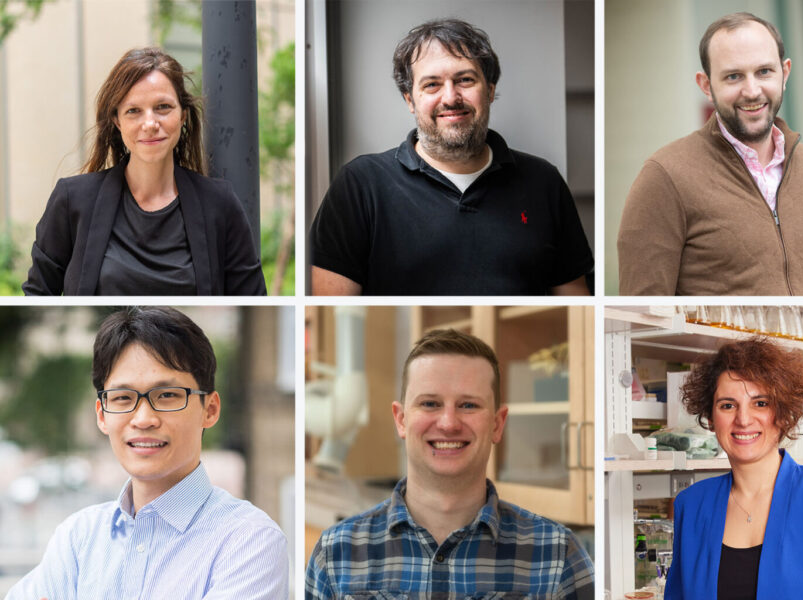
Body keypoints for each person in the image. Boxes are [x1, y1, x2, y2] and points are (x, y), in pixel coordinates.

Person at [5, 307, 289, 599]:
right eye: (123, 397)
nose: (143, 419)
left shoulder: (249, 541)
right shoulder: (78, 538)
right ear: (102, 415)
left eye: (166, 396)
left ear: (210, 409)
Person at [309, 19, 593, 296]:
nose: (450, 97)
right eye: (431, 84)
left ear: (490, 90)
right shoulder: (360, 185)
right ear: (410, 99)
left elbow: (577, 300)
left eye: (465, 80)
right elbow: (326, 306)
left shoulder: (543, 182)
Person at [305, 329, 594, 598]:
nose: (448, 423)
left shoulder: (558, 556)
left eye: (468, 405)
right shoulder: (335, 555)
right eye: (430, 403)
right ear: (401, 419)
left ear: (497, 423)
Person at [617, 12, 803, 296]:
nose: (752, 91)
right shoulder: (665, 176)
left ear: (784, 74)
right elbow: (644, 305)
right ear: (706, 85)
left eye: (764, 72)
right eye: (733, 76)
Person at [22, 47, 266, 295]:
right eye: (133, 111)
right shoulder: (72, 200)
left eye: (163, 107)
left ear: (182, 115)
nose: (150, 124)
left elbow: (252, 296)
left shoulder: (219, 203)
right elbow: (36, 295)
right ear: (117, 121)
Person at [665, 337, 803, 599]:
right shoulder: (692, 505)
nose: (743, 419)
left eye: (760, 403)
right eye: (727, 405)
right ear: (710, 417)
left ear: (783, 413)